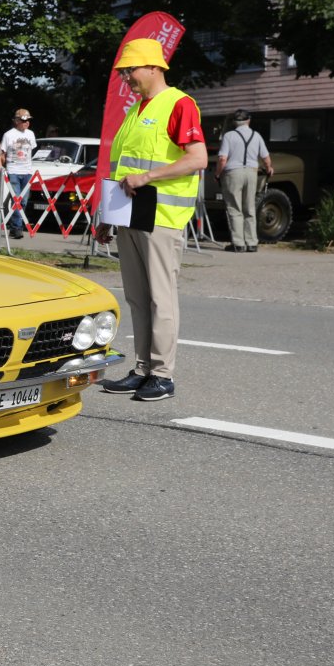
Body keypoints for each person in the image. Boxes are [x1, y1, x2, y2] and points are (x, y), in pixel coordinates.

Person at [99, 37, 207, 403]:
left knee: (161, 298)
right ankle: (143, 368)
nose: (126, 77)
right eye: (123, 72)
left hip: (161, 216)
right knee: (137, 298)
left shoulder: (178, 103)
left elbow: (198, 158)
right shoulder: (135, 111)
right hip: (129, 216)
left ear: (152, 67)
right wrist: (107, 216)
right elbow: (122, 170)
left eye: (129, 70)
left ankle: (162, 375)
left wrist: (147, 177)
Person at [216, 109, 272, 252]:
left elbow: (222, 159)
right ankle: (252, 242)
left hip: (233, 173)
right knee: (249, 208)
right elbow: (265, 157)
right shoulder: (256, 135)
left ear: (235, 122)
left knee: (235, 208)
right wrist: (269, 168)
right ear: (249, 120)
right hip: (252, 172)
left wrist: (217, 174)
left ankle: (238, 243)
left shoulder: (229, 136)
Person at [1, 108, 37, 238]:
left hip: (27, 171)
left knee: (23, 201)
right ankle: (17, 228)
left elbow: (32, 150)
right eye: (23, 120)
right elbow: (2, 154)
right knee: (16, 199)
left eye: (28, 120)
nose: (26, 122)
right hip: (13, 171)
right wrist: (3, 167)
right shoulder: (8, 135)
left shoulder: (31, 134)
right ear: (16, 121)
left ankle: (14, 226)